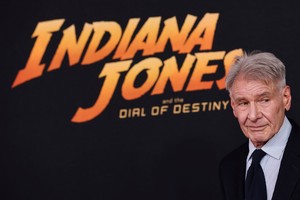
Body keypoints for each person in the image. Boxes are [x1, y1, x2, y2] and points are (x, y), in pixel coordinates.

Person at [219, 50, 300, 200]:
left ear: (286, 98)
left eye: (264, 100)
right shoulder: (229, 167)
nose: (253, 116)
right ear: (233, 106)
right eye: (243, 103)